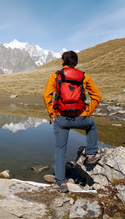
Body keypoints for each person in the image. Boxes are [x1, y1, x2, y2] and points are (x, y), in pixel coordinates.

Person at [43, 50, 102, 193]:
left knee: (60, 150)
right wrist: (87, 112)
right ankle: (91, 154)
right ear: (75, 63)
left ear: (63, 61)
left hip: (61, 118)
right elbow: (97, 96)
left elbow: (47, 95)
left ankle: (60, 183)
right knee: (91, 126)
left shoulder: (56, 76)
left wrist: (52, 114)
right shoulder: (84, 76)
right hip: (80, 117)